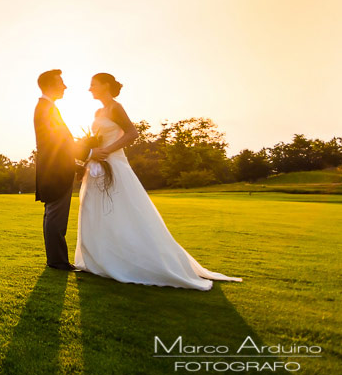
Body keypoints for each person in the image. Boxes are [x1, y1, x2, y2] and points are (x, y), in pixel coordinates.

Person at [74, 72, 242, 290]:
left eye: (93, 85)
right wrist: (91, 152)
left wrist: (106, 150)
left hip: (114, 163)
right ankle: (100, 260)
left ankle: (134, 261)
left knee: (123, 210)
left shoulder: (116, 108)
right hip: (96, 167)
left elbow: (132, 133)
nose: (90, 89)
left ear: (106, 85)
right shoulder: (97, 111)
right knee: (94, 210)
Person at [33, 69, 78, 271]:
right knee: (55, 217)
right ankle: (57, 261)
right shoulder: (46, 109)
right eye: (61, 82)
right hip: (56, 172)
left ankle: (56, 260)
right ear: (51, 85)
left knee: (53, 216)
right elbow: (58, 144)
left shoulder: (47, 107)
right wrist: (90, 150)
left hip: (55, 169)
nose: (65, 86)